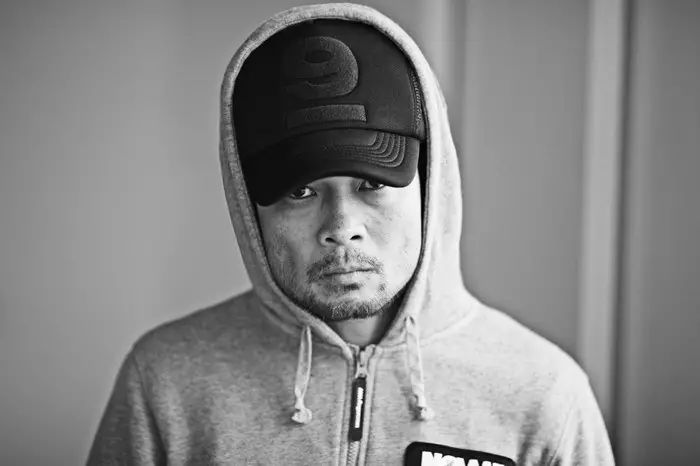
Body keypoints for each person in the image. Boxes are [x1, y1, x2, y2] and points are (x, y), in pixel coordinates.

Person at [87, 4, 615, 465]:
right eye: (301, 191)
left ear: (430, 186)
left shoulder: (541, 391)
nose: (341, 230)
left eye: (372, 184)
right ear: (249, 207)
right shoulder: (167, 383)